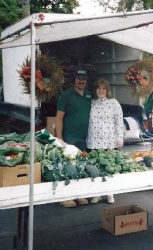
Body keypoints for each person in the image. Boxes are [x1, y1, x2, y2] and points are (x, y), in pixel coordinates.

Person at [56, 68, 92, 208]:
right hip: (69, 136)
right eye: (79, 78)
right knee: (68, 166)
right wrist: (59, 137)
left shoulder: (89, 95)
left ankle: (79, 194)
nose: (81, 81)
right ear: (74, 80)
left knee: (81, 166)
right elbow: (59, 118)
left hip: (84, 137)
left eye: (83, 79)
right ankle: (65, 197)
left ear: (86, 80)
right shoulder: (66, 96)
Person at [86, 79, 124, 204]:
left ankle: (109, 193)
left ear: (107, 91)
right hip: (94, 141)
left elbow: (119, 121)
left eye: (104, 89)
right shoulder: (91, 103)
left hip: (109, 141)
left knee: (108, 168)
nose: (101, 91)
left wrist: (120, 138)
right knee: (96, 168)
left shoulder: (113, 103)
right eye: (99, 88)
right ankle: (97, 194)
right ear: (95, 90)